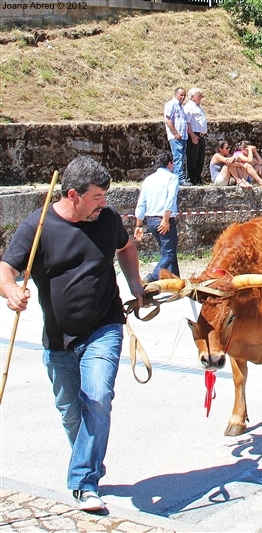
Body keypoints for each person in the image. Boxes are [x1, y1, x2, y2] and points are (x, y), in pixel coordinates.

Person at [0, 156, 145, 513]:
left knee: (97, 396)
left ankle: (83, 482)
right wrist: (12, 291)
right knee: (71, 411)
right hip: (58, 338)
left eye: (105, 196)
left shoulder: (108, 220)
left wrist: (135, 283)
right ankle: (92, 461)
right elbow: (6, 269)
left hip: (104, 327)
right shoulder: (38, 228)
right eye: (97, 197)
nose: (105, 204)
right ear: (73, 195)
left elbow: (125, 247)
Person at [134, 152, 181, 283]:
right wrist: (166, 220)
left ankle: (176, 279)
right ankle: (153, 276)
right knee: (169, 253)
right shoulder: (172, 178)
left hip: (150, 220)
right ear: (170, 163)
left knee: (168, 251)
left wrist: (138, 225)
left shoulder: (148, 179)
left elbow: (141, 202)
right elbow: (170, 200)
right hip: (163, 219)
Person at [164, 87, 192, 186]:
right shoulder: (171, 104)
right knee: (178, 157)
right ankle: (179, 179)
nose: (183, 97)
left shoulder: (181, 107)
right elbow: (168, 119)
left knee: (181, 157)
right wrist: (175, 133)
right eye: (181, 95)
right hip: (176, 137)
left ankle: (179, 177)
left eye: (184, 95)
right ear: (176, 94)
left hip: (183, 137)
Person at [183, 87, 207, 186]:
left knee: (200, 157)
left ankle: (197, 177)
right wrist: (192, 135)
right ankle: (191, 178)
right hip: (194, 134)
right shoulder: (189, 107)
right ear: (192, 97)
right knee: (192, 157)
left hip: (201, 135)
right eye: (199, 95)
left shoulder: (198, 106)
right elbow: (187, 122)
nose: (201, 97)